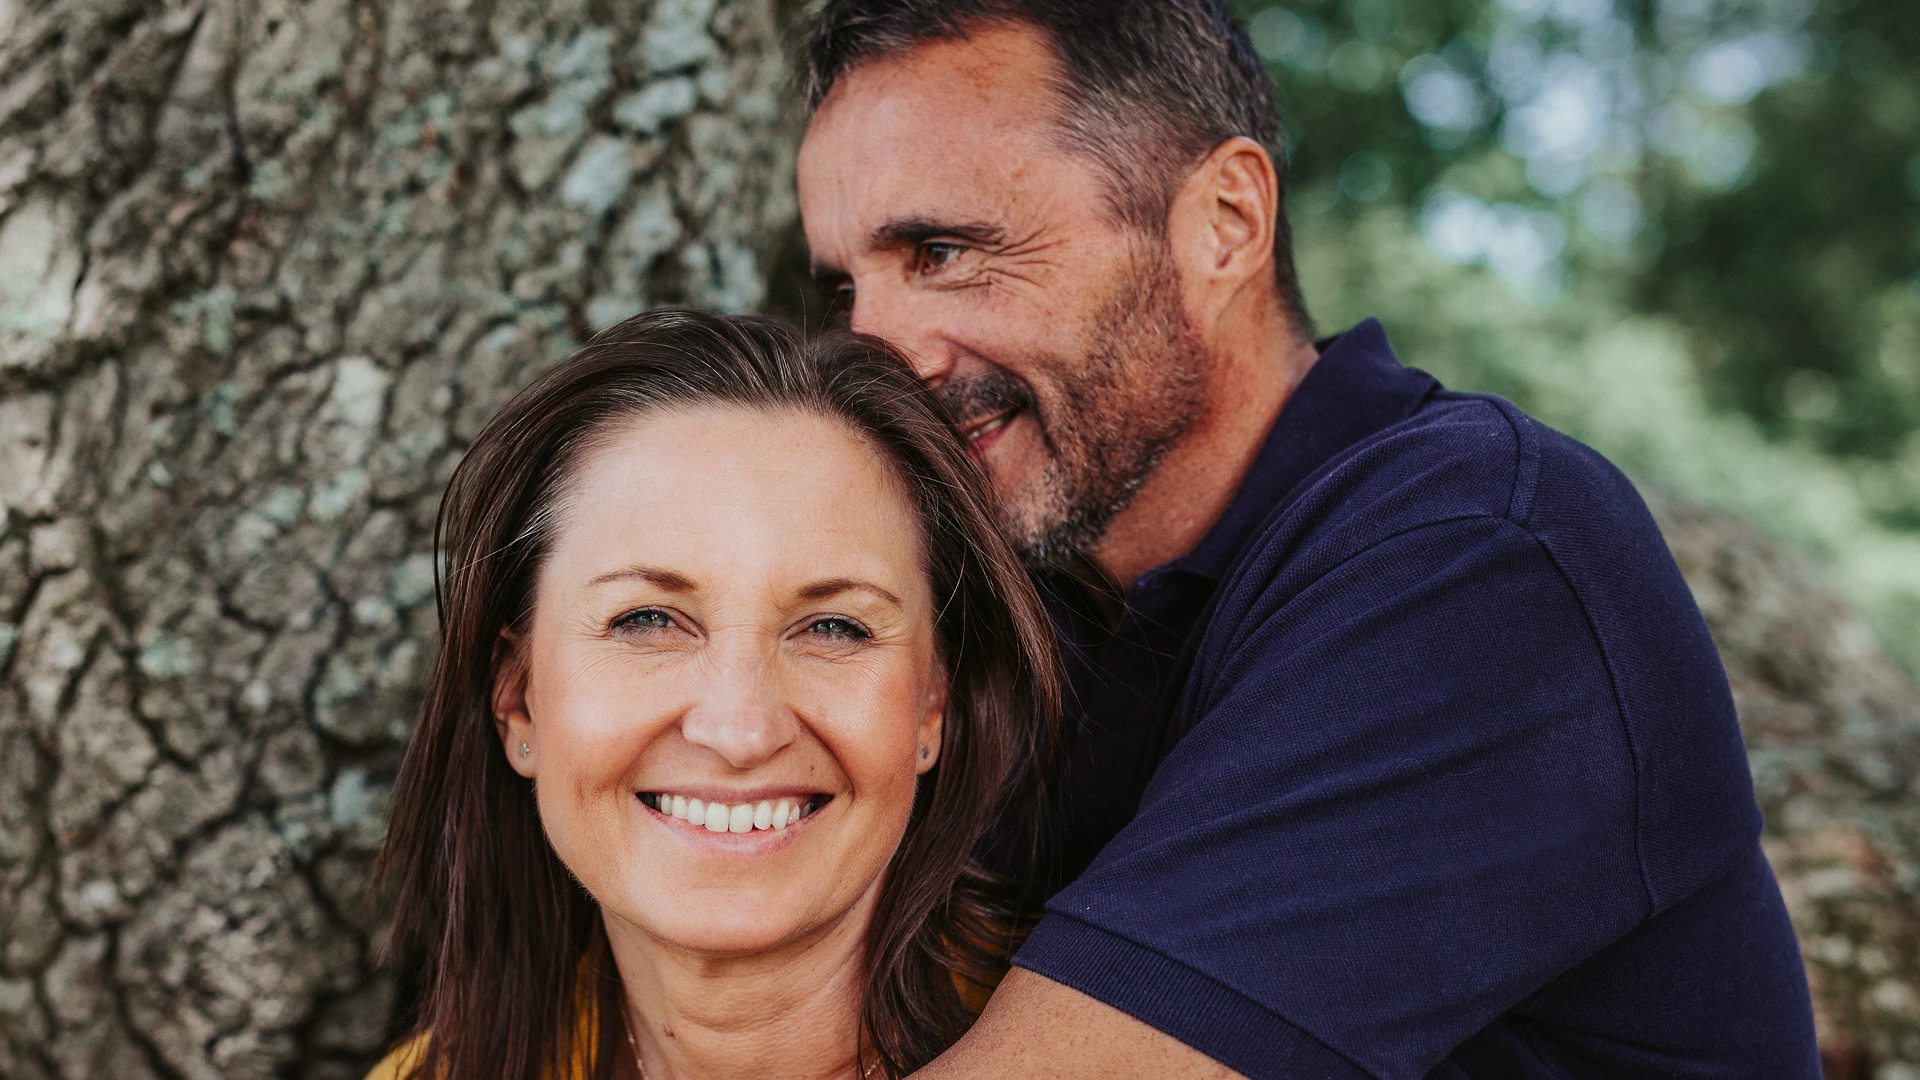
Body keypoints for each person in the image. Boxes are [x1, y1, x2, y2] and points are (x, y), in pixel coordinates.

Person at [794, 1, 1824, 1077]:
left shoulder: (1479, 559)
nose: (878, 355)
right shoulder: (1023, 592)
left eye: (945, 251)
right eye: (846, 288)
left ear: (1225, 222)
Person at [365, 309, 1060, 1080]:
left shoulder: (1134, 1041)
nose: (740, 729)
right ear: (518, 699)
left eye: (833, 627)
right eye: (648, 620)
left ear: (932, 703)